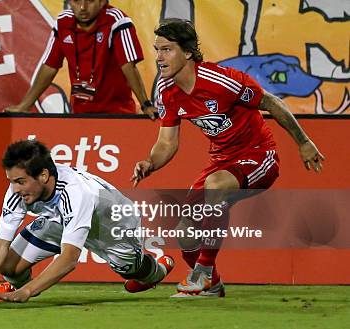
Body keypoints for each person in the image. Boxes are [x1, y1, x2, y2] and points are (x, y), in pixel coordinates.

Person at [131, 18, 325, 297]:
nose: (159, 57)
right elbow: (166, 142)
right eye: (157, 49)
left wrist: (303, 142)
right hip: (221, 162)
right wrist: (149, 163)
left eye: (167, 49)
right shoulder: (166, 91)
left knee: (215, 187)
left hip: (259, 157)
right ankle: (213, 283)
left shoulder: (221, 81)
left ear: (187, 52)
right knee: (185, 232)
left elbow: (271, 102)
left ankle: (204, 273)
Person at [0, 140, 175, 308]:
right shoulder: (18, 192)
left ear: (44, 176)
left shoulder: (76, 193)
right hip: (59, 220)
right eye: (11, 181)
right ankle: (13, 286)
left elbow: (69, 258)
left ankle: (159, 268)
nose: (15, 188)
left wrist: (28, 291)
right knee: (9, 266)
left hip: (112, 227)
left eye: (20, 182)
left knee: (133, 271)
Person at [5, 0, 156, 117]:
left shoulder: (117, 20)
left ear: (102, 2)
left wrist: (145, 104)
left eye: (89, 1)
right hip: (79, 114)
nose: (83, 7)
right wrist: (25, 105)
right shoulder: (62, 23)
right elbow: (50, 66)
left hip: (117, 113)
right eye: (77, 1)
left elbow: (128, 66)